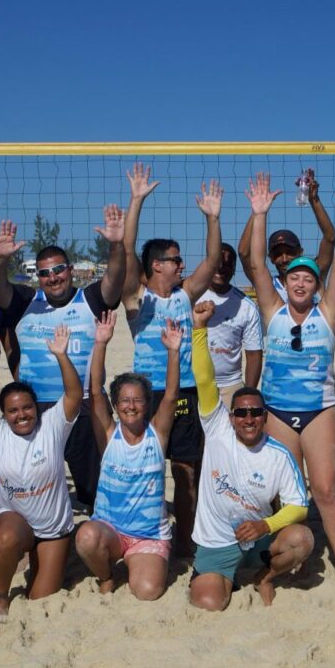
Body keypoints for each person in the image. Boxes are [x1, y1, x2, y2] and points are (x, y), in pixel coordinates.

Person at [0, 170, 137, 510]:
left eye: (59, 269)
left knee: (92, 488)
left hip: (83, 406)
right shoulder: (26, 301)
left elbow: (116, 275)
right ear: (36, 276)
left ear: (70, 270)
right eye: (45, 272)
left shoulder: (92, 298)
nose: (53, 277)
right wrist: (0, 259)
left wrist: (116, 245)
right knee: (38, 487)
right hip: (35, 408)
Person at [244, 171, 335, 586]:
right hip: (276, 411)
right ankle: (291, 558)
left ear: (315, 285)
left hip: (318, 412)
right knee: (285, 497)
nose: (299, 281)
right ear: (286, 281)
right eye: (294, 275)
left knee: (326, 491)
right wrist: (260, 214)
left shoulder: (326, 314)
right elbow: (257, 263)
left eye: (307, 277)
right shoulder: (272, 309)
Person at [122, 178, 224, 552]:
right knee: (147, 474)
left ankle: (185, 544)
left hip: (185, 392)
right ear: (156, 265)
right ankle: (146, 536)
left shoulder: (184, 295)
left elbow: (212, 261)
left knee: (186, 473)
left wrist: (213, 218)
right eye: (176, 259)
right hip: (147, 394)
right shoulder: (137, 299)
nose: (182, 264)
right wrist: (136, 201)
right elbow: (128, 251)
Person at [0, 320, 83, 615]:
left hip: (53, 528)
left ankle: (35, 560)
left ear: (37, 408)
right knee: (5, 538)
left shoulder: (52, 425)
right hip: (16, 521)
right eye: (13, 411)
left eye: (27, 407)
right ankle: (2, 596)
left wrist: (61, 356)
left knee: (41, 598)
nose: (22, 415)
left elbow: (74, 396)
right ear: (4, 415)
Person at [187, 345, 314, 613]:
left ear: (265, 417)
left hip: (260, 542)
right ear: (231, 417)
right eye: (242, 413)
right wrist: (199, 329)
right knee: (209, 603)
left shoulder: (279, 454)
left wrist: (265, 526)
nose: (249, 419)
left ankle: (264, 577)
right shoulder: (217, 428)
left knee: (303, 539)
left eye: (255, 412)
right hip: (217, 541)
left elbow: (299, 506)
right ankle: (219, 576)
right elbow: (205, 379)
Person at [77, 309, 190, 600]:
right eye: (124, 400)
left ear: (146, 404)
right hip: (110, 530)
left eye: (138, 400)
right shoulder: (108, 434)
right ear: (115, 405)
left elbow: (172, 395)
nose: (131, 406)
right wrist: (101, 342)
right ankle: (106, 575)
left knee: (148, 592)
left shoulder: (157, 435)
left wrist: (174, 352)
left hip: (148, 536)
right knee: (87, 537)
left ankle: (142, 561)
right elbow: (95, 390)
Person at [239, 168, 335, 297]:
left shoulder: (314, 277)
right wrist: (257, 212)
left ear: (300, 252)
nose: (284, 259)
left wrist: (313, 200)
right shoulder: (266, 285)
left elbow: (330, 238)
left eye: (289, 252)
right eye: (277, 254)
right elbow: (244, 253)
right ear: (271, 258)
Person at [196, 244, 264, 394]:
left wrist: (248, 394)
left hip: (230, 385)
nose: (221, 267)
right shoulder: (191, 295)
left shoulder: (247, 306)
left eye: (228, 264)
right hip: (192, 383)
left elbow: (253, 355)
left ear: (234, 269)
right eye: (217, 262)